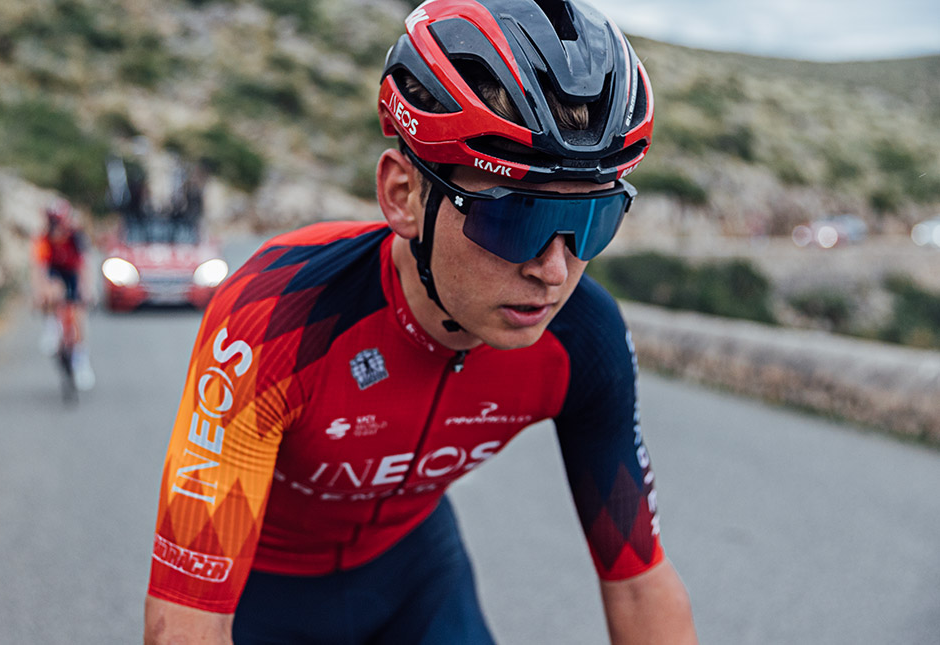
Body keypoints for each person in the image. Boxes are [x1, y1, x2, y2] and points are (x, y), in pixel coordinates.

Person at [144, 0, 698, 643]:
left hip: (414, 576)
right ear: (404, 196)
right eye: (516, 220)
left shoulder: (585, 338)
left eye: (592, 223)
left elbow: (637, 579)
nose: (554, 271)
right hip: (262, 587)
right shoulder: (276, 317)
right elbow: (185, 618)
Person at [33, 198, 96, 391]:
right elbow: (38, 268)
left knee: (78, 315)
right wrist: (39, 293)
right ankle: (51, 327)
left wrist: (89, 289)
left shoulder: (76, 237)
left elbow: (86, 265)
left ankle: (81, 359)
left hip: (72, 273)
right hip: (55, 273)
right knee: (53, 290)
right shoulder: (43, 239)